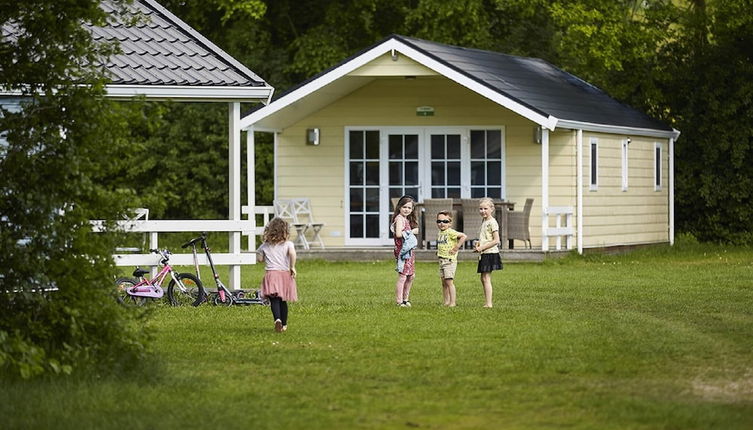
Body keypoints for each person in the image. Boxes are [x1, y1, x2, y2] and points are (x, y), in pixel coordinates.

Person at [256, 217, 298, 332]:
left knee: (274, 300)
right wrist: (292, 267)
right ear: (285, 231)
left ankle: (277, 320)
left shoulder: (265, 245)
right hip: (285, 275)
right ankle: (284, 325)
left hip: (272, 275)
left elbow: (259, 258)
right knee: (283, 300)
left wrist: (262, 257)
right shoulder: (288, 244)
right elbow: (292, 254)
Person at [473, 198, 502, 308]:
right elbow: (486, 237)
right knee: (483, 278)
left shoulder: (492, 222)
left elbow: (496, 240)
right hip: (484, 252)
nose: (483, 211)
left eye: (485, 208)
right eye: (481, 209)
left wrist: (482, 248)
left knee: (486, 278)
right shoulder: (484, 221)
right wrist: (478, 244)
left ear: (492, 209)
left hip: (490, 253)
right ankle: (487, 302)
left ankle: (489, 303)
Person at [391, 195, 419, 307]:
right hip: (402, 252)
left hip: (409, 251)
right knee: (403, 276)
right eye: (404, 207)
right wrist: (412, 232)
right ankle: (399, 301)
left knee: (411, 276)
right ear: (399, 207)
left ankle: (405, 299)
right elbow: (398, 234)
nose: (406, 209)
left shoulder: (405, 219)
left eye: (409, 208)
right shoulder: (399, 219)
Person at [436, 211, 466, 307]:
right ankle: (446, 302)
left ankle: (452, 302)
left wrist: (456, 247)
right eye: (439, 221)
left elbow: (463, 236)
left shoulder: (450, 232)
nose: (442, 223)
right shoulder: (440, 232)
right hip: (442, 260)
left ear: (450, 223)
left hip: (449, 260)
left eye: (445, 221)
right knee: (444, 283)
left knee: (449, 282)